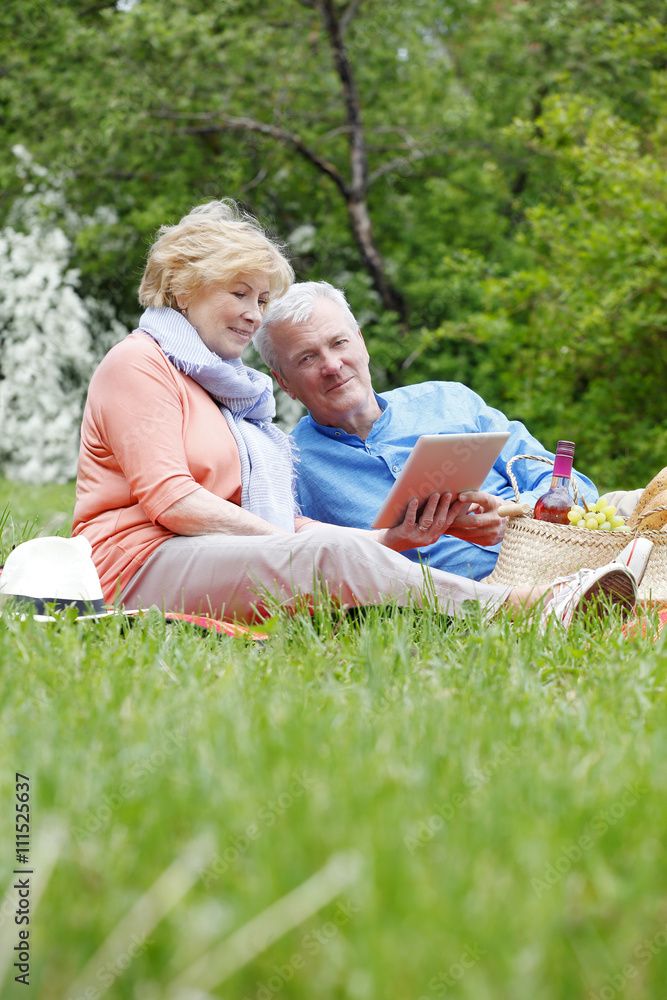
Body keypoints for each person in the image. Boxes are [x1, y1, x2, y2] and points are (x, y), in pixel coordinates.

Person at [72, 201, 646, 628]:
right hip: (133, 561)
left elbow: (285, 526)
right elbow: (172, 501)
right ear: (185, 286)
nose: (252, 314)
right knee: (328, 553)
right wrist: (296, 548)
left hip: (202, 552)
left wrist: (389, 537)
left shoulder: (223, 389)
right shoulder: (140, 362)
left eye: (261, 300)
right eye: (239, 293)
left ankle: (592, 586)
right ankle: (530, 609)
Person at [254, 281, 598, 582]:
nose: (331, 365)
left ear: (361, 342)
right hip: (464, 597)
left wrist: (514, 514)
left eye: (339, 342)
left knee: (642, 501)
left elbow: (575, 487)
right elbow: (285, 555)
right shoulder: (287, 460)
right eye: (306, 359)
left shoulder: (449, 400)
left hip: (557, 552)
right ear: (284, 382)